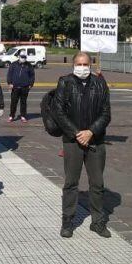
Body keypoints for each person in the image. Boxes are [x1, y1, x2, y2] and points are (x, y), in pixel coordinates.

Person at [52, 52, 111, 239]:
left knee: (97, 183)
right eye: (79, 64)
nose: (82, 67)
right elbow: (58, 111)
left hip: (96, 141)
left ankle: (98, 222)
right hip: (72, 141)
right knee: (71, 183)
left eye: (86, 64)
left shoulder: (100, 83)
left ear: (91, 65)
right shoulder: (65, 82)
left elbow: (106, 113)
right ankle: (68, 221)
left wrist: (91, 132)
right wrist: (77, 133)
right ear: (73, 65)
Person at [6, 51, 35, 123]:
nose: (23, 59)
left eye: (24, 57)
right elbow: (9, 74)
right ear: (19, 57)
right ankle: (11, 116)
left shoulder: (29, 65)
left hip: (25, 87)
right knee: (13, 102)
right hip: (15, 87)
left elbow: (32, 76)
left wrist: (30, 84)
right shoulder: (13, 64)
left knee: (23, 102)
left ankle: (23, 116)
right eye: (22, 57)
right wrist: (9, 83)